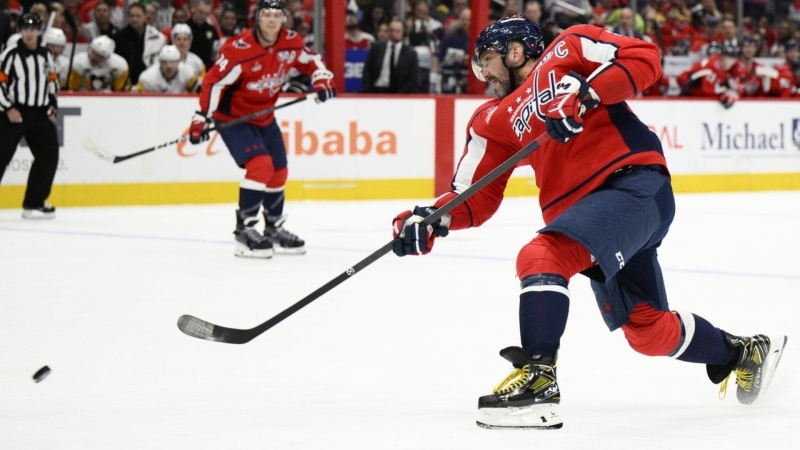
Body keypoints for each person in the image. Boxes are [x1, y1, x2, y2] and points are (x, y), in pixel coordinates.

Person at [389, 15, 787, 429]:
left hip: (632, 186)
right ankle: (744, 353)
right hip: (592, 219)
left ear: (515, 50)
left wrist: (588, 92)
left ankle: (539, 381)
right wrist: (431, 219)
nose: (484, 73)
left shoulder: (569, 48)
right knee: (647, 331)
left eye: (487, 59)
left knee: (541, 255)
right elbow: (475, 195)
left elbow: (643, 57)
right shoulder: (490, 120)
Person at [188, 0, 336, 259]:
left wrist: (321, 79)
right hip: (233, 118)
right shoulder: (239, 49)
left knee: (279, 170)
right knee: (261, 166)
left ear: (283, 19)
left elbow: (310, 59)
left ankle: (273, 228)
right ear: (257, 18)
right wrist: (202, 116)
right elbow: (214, 82)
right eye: (266, 15)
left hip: (264, 116)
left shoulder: (290, 42)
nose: (271, 20)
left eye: (277, 15)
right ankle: (244, 232)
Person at [0, 13, 60, 220]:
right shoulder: (11, 55)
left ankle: (34, 202)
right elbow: (0, 83)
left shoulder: (46, 55)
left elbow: (52, 80)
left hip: (40, 113)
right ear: (20, 31)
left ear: (39, 31)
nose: (29, 33)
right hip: (13, 113)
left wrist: (53, 104)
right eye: (25, 29)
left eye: (33, 29)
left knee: (48, 156)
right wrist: (8, 108)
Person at [113, 2, 165, 85]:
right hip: (125, 83)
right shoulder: (119, 38)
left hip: (149, 83)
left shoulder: (156, 37)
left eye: (138, 16)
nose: (134, 19)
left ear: (144, 17)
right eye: (132, 16)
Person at [361, 18, 419, 93]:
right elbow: (367, 70)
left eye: (397, 31)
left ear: (403, 33)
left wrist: (400, 95)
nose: (393, 33)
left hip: (399, 93)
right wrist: (368, 90)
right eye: (391, 30)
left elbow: (412, 78)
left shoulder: (410, 53)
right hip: (377, 90)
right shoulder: (377, 47)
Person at [133, 44, 199, 92]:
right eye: (165, 62)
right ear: (160, 63)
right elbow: (138, 99)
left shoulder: (187, 72)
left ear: (178, 62)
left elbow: (199, 92)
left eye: (173, 62)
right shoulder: (147, 78)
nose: (169, 66)